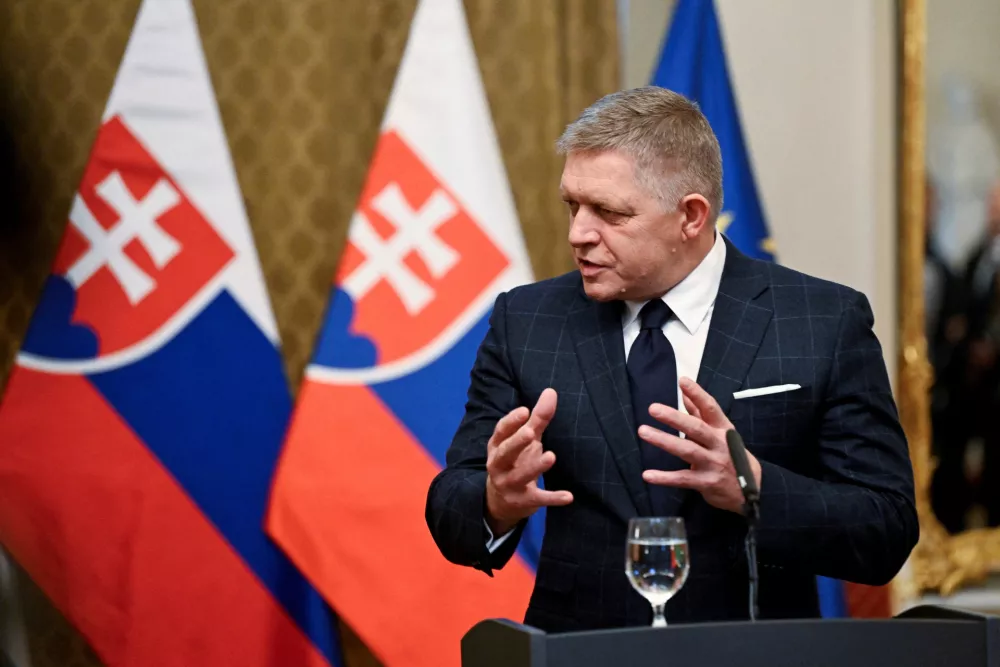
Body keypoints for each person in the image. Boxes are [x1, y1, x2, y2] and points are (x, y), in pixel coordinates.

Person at [425, 86, 918, 631]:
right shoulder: (528, 319)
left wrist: (755, 488)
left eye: (608, 213)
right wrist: (496, 501)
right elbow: (452, 509)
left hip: (752, 652)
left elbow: (886, 529)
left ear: (690, 216)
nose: (578, 234)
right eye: (572, 205)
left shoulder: (821, 321)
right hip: (582, 651)